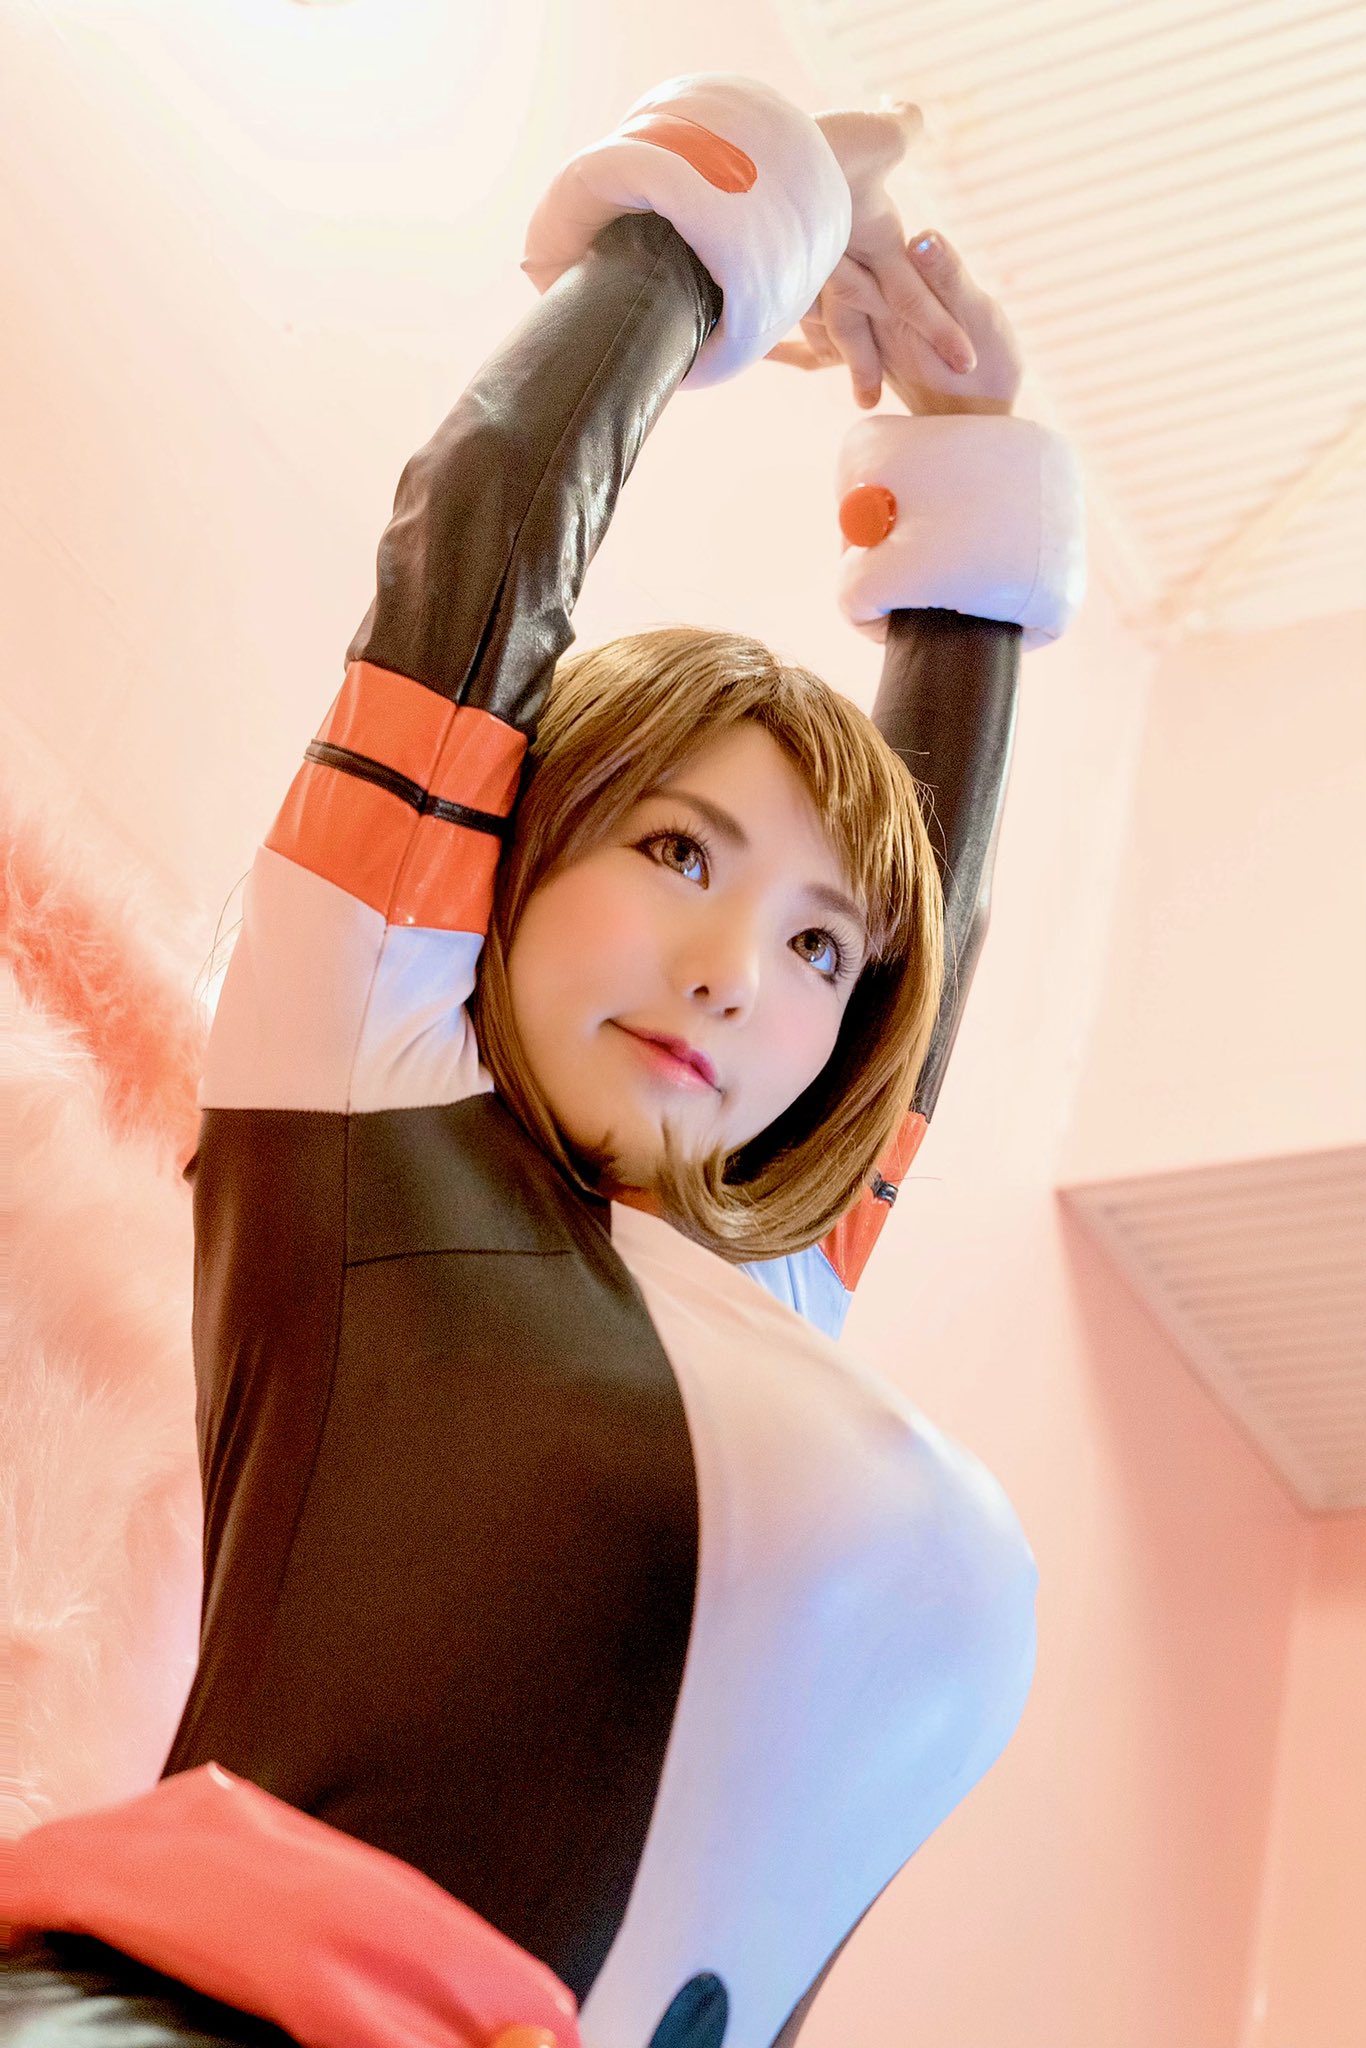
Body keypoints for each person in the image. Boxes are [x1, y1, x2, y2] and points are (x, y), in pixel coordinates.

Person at [2, 73, 1084, 2048]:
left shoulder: (758, 1286)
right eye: (676, 852)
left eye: (813, 946)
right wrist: (716, 228)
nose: (734, 975)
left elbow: (928, 913)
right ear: (513, 850)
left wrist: (962, 506)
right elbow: (490, 519)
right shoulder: (371, 1089)